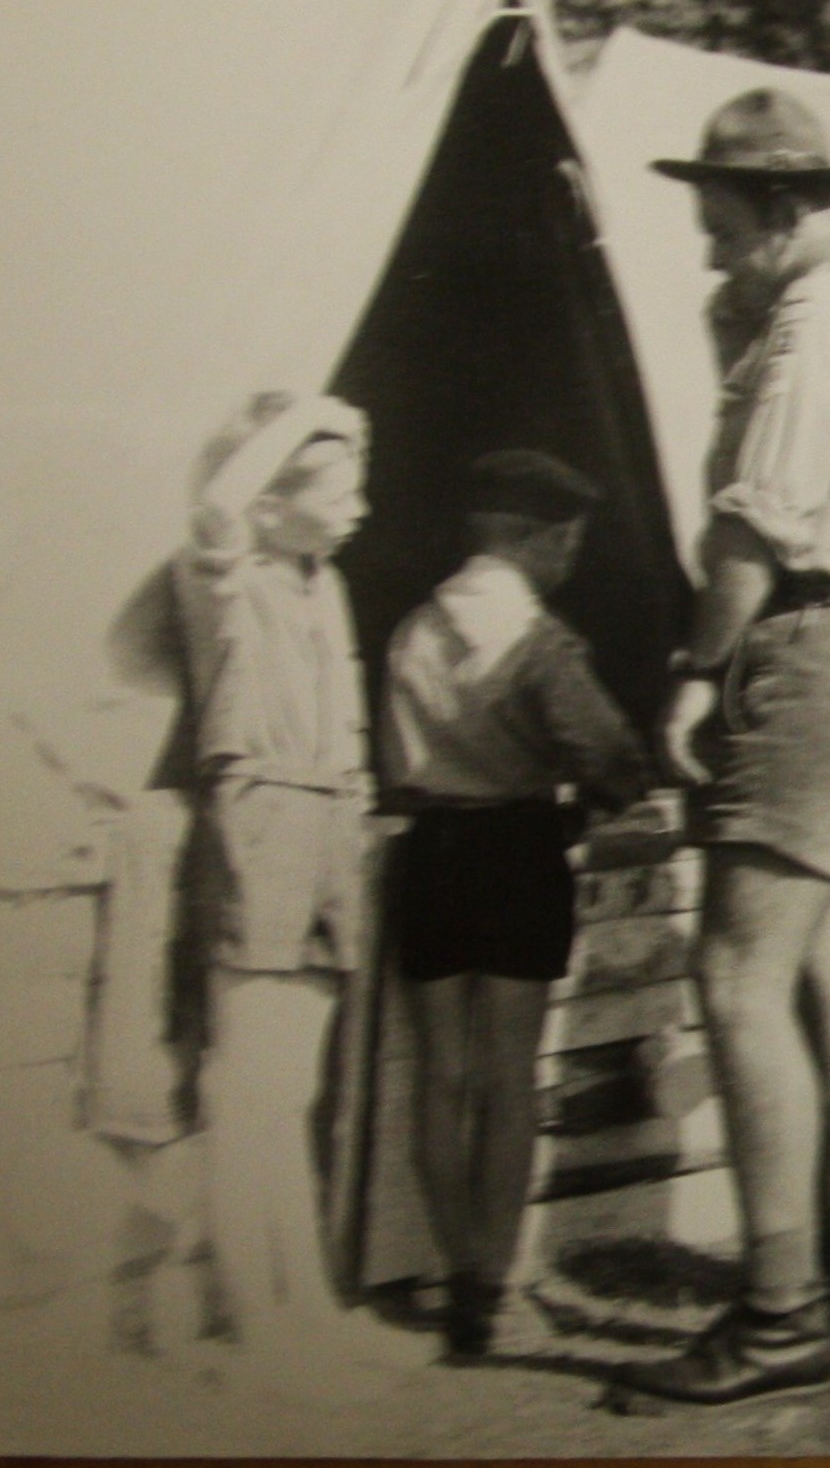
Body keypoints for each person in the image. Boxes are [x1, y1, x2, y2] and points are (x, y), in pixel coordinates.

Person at [620, 88, 830, 1407]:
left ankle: (775, 1314)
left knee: (737, 975)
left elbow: (756, 521)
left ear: (773, 209)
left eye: (718, 229)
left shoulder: (817, 317)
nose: (709, 256)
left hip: (819, 647)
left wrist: (694, 674)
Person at [175, 392, 432, 1397]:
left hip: (328, 821)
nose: (361, 507)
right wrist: (311, 415)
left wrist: (357, 808)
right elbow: (219, 502)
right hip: (260, 817)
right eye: (340, 488)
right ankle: (254, 1329)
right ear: (273, 503)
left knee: (291, 1091)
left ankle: (311, 1312)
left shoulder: (327, 586)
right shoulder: (225, 579)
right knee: (243, 1089)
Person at [380, 450, 652, 1359]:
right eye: (568, 541)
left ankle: (455, 1270)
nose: (570, 556)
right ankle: (490, 1288)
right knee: (507, 1076)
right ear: (541, 539)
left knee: (440, 1075)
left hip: (429, 854)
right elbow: (608, 754)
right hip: (516, 851)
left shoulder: (413, 628)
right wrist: (603, 799)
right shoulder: (540, 641)